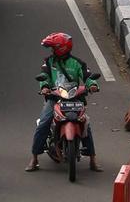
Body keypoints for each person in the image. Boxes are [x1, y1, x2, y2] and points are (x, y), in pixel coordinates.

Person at [27, 32, 100, 172]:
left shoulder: (77, 63)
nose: (52, 51)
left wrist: (92, 85)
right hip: (55, 98)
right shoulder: (48, 62)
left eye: (54, 48)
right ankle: (34, 158)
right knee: (44, 123)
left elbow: (88, 76)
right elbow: (44, 76)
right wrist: (45, 87)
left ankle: (92, 159)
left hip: (75, 98)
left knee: (85, 124)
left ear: (62, 48)